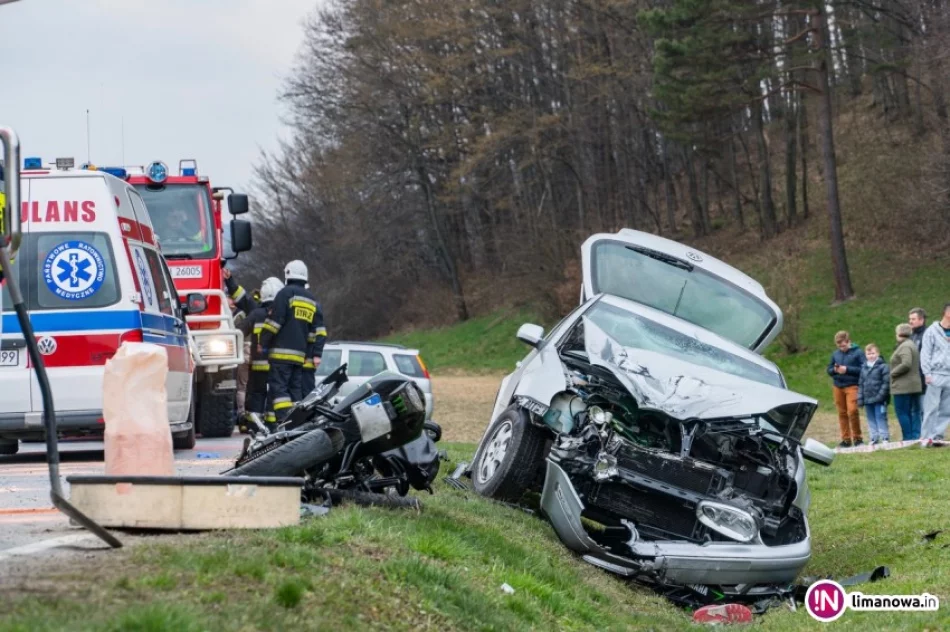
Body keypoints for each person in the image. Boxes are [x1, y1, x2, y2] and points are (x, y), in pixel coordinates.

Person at [259, 260, 326, 422]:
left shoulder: (285, 294)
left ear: (287, 274)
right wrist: (314, 353)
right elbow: (316, 330)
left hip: (281, 356)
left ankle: (285, 420)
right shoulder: (311, 299)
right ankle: (298, 420)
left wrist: (264, 341)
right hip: (300, 358)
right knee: (295, 390)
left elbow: (275, 323)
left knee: (279, 389)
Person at [827, 330, 866, 447]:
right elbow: (828, 369)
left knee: (853, 411)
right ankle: (846, 440)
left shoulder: (858, 353)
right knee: (842, 413)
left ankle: (858, 438)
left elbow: (864, 369)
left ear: (848, 341)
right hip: (838, 386)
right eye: (838, 345)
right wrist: (834, 370)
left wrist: (847, 369)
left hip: (852, 386)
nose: (841, 347)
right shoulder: (835, 354)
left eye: (843, 345)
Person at [919, 302, 950, 446]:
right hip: (935, 374)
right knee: (931, 408)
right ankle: (926, 438)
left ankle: (937, 436)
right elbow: (925, 353)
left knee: (946, 409)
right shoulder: (932, 331)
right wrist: (927, 373)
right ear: (946, 312)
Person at [890, 323, 923, 441]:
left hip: (903, 386)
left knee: (902, 412)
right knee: (914, 412)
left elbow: (906, 363)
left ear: (899, 333)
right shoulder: (911, 344)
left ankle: (908, 438)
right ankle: (915, 436)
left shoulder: (904, 346)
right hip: (913, 385)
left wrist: (893, 372)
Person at [858, 343, 891, 444]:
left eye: (873, 353)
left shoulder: (884, 367)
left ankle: (885, 437)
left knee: (880, 417)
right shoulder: (864, 368)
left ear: (878, 353)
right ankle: (874, 437)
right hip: (868, 399)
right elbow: (861, 384)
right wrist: (860, 399)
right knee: (871, 418)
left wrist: (881, 396)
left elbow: (886, 383)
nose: (871, 355)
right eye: (868, 354)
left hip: (880, 399)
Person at [300, 282, 328, 397]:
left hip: (308, 359)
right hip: (297, 360)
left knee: (307, 393)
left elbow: (321, 332)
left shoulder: (314, 307)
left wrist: (317, 355)